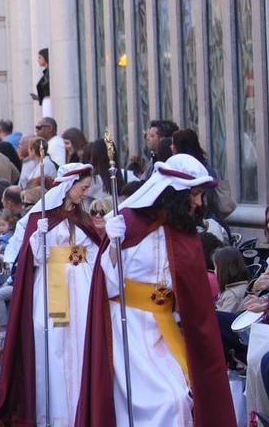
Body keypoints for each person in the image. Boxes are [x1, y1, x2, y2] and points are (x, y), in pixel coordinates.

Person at [75, 154, 235, 427]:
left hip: (166, 328)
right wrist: (113, 245)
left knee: (183, 395)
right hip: (130, 329)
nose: (198, 203)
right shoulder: (128, 222)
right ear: (174, 194)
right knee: (162, 402)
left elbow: (192, 293)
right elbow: (108, 283)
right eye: (194, 194)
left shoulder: (184, 232)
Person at [0, 163, 102, 427]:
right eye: (82, 188)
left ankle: (79, 408)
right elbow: (32, 260)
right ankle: (54, 411)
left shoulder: (83, 219)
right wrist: (38, 240)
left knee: (81, 343)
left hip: (82, 287)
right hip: (52, 286)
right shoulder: (42, 219)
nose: (85, 193)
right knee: (53, 344)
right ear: (67, 187)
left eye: (87, 189)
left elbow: (95, 253)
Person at [214, 247, 249, 314]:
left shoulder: (231, 295)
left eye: (215, 267)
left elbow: (224, 318)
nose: (214, 270)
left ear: (223, 270)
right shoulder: (243, 285)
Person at [35, 48, 51, 117]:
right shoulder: (45, 73)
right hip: (46, 103)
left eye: (40, 57)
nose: (38, 60)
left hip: (49, 103)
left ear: (45, 57)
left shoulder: (49, 72)